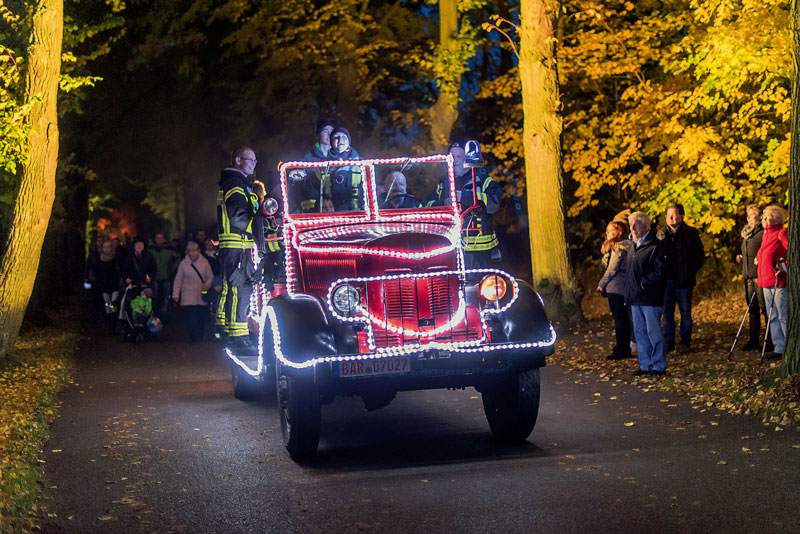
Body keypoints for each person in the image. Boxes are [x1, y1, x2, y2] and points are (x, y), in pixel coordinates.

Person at [428, 138, 502, 271]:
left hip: (480, 252)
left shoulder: (482, 180)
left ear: (467, 159)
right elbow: (428, 206)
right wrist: (443, 203)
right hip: (450, 250)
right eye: (451, 157)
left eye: (458, 156)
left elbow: (494, 203)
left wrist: (464, 197)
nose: (454, 160)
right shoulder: (443, 183)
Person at [216, 145, 261, 354]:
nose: (253, 163)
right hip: (238, 245)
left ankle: (227, 330)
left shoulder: (237, 182)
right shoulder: (235, 183)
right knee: (240, 289)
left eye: (254, 160)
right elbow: (238, 216)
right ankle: (239, 338)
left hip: (235, 246)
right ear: (237, 161)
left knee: (233, 288)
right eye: (249, 159)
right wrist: (260, 228)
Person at [656, 203, 705, 353]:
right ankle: (668, 342)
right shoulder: (660, 234)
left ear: (681, 216)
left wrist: (689, 272)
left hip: (684, 281)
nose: (672, 218)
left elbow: (699, 256)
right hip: (665, 282)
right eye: (669, 216)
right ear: (666, 217)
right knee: (667, 314)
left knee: (685, 313)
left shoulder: (691, 233)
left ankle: (685, 343)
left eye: (675, 215)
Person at [625, 211, 666, 376]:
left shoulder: (655, 246)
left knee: (653, 332)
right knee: (640, 333)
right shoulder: (632, 246)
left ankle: (658, 366)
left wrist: (644, 283)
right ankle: (645, 364)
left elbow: (661, 271)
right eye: (631, 224)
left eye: (637, 224)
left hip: (649, 297)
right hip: (635, 297)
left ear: (646, 226)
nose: (633, 228)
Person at [597, 221, 633, 360]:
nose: (608, 234)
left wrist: (602, 284)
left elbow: (612, 268)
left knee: (619, 319)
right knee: (624, 318)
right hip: (625, 286)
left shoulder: (618, 247)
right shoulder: (629, 246)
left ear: (619, 231)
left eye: (611, 231)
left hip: (616, 287)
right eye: (607, 231)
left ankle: (622, 349)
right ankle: (625, 347)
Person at [756, 205, 788, 359]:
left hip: (778, 281)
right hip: (765, 281)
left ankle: (788, 345)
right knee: (772, 316)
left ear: (776, 219)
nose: (764, 220)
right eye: (764, 217)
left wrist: (784, 266)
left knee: (782, 315)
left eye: (768, 217)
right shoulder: (765, 235)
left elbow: (791, 251)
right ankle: (779, 347)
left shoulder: (781, 233)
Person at [736, 205, 770, 351]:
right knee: (752, 308)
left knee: (765, 308)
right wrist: (740, 257)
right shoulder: (746, 234)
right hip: (748, 275)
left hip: (760, 275)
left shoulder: (762, 233)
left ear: (759, 217)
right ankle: (753, 340)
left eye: (753, 215)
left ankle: (770, 340)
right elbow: (747, 252)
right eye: (748, 215)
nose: (750, 218)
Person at [172, 241, 214, 343]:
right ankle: (193, 337)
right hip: (188, 294)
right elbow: (178, 279)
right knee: (191, 317)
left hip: (201, 293)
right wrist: (176, 294)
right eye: (191, 251)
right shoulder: (183, 264)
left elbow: (210, 276)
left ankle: (200, 335)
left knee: (200, 317)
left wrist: (207, 285)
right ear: (187, 252)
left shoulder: (204, 262)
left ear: (198, 251)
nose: (193, 254)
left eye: (195, 251)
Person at [324, 127, 363, 212]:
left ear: (349, 141)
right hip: (331, 217)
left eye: (344, 137)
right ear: (331, 142)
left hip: (358, 216)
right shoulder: (322, 165)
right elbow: (314, 192)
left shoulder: (362, 164)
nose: (340, 139)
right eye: (336, 137)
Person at [151, 233, 180, 315]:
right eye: (157, 238)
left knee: (165, 296)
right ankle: (155, 312)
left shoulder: (169, 249)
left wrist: (172, 268)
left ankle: (164, 313)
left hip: (166, 276)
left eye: (161, 238)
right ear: (155, 240)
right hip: (155, 277)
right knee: (155, 296)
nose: (159, 240)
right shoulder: (151, 250)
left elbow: (178, 257)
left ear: (164, 240)